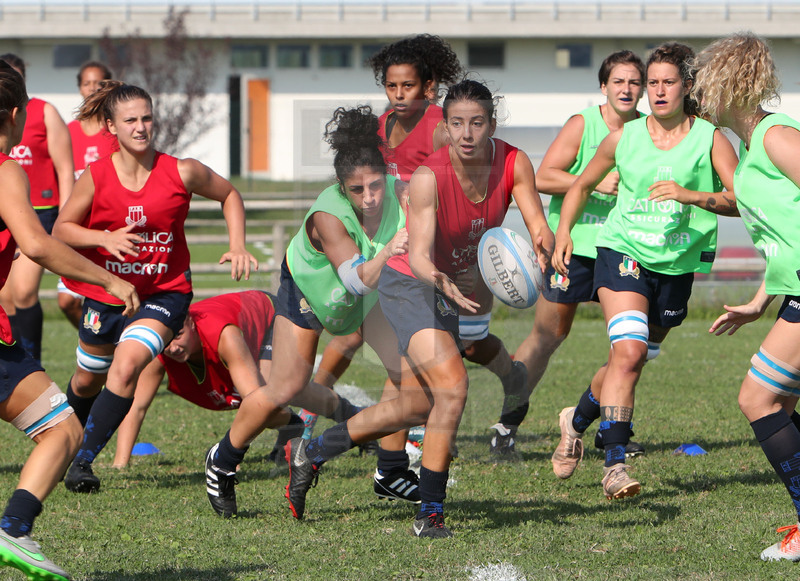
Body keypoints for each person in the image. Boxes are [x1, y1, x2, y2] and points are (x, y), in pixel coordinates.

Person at [283, 80, 553, 538]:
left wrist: (545, 248)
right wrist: (440, 278)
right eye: (456, 124)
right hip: (409, 284)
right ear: (445, 127)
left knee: (417, 404)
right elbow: (422, 254)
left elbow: (536, 222)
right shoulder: (429, 178)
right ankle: (430, 513)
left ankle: (316, 450)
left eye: (477, 122)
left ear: (492, 122)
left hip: (449, 286)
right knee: (453, 388)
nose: (467, 133)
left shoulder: (514, 161)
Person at [551, 42, 738, 499]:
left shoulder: (710, 137)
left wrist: (693, 196)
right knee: (629, 353)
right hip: (623, 252)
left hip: (675, 268)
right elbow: (580, 185)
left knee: (630, 359)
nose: (656, 90)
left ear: (686, 87)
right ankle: (614, 463)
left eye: (667, 82)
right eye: (651, 82)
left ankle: (574, 421)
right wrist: (564, 233)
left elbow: (739, 201)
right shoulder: (625, 137)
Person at [204, 105, 409, 519]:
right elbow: (354, 280)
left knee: (409, 375)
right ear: (341, 187)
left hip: (366, 298)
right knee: (284, 390)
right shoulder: (327, 216)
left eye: (375, 186)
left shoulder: (400, 193)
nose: (369, 197)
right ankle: (222, 461)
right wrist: (389, 251)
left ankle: (390, 470)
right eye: (357, 189)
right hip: (310, 292)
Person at [53, 80, 257, 494]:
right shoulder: (95, 177)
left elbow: (230, 195)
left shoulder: (182, 171)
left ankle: (83, 463)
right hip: (105, 294)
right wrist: (104, 238)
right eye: (131, 120)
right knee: (87, 380)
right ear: (111, 126)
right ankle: (66, 447)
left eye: (147, 118)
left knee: (127, 366)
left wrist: (237, 244)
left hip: (165, 293)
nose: (141, 127)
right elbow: (61, 229)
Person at [0, 60, 139, 581]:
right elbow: (37, 243)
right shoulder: (5, 169)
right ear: (15, 115)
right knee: (63, 430)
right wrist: (108, 279)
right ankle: (14, 528)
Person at [500, 51, 647, 457]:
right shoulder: (584, 123)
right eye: (618, 81)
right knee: (549, 336)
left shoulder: (648, 130)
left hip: (623, 249)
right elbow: (544, 176)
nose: (626, 89)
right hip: (574, 247)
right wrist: (594, 183)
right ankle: (506, 423)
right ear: (604, 86)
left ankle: (613, 429)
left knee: (627, 345)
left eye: (635, 82)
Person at [698, 32, 800, 562]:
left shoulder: (777, 135)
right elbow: (785, 235)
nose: (697, 96)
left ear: (728, 84)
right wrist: (761, 298)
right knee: (778, 404)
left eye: (702, 83)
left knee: (756, 400)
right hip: (794, 292)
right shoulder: (749, 145)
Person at [111, 290, 361, 487]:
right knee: (275, 401)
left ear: (190, 321)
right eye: (166, 339)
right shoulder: (160, 350)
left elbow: (255, 400)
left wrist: (232, 452)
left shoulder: (224, 335)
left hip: (269, 314)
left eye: (177, 336)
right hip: (242, 326)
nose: (172, 347)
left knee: (280, 392)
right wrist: (120, 464)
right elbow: (137, 406)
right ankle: (293, 424)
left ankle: (355, 419)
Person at [0, 53, 74, 363]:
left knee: (25, 292)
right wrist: (109, 280)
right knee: (8, 295)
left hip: (41, 213)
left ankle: (29, 361)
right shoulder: (7, 169)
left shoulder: (45, 112)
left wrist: (67, 220)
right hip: (13, 218)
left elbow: (66, 168)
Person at [59, 61, 117, 329]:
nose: (93, 88)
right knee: (66, 301)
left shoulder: (116, 132)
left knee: (114, 300)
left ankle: (104, 346)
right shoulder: (67, 132)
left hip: (110, 230)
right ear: (79, 88)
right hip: (75, 231)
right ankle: (93, 336)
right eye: (87, 83)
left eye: (99, 82)